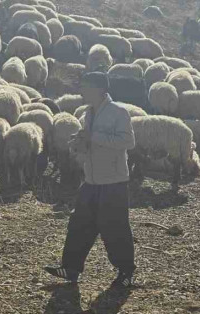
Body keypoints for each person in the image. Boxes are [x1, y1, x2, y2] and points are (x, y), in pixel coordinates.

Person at [44, 72, 137, 288]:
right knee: (80, 224)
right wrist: (79, 144)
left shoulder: (119, 112)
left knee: (115, 226)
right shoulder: (89, 113)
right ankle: (71, 268)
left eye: (85, 86)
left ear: (98, 89)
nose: (82, 90)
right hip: (92, 179)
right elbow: (90, 141)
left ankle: (126, 271)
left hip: (113, 181)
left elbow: (128, 141)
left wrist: (92, 137)